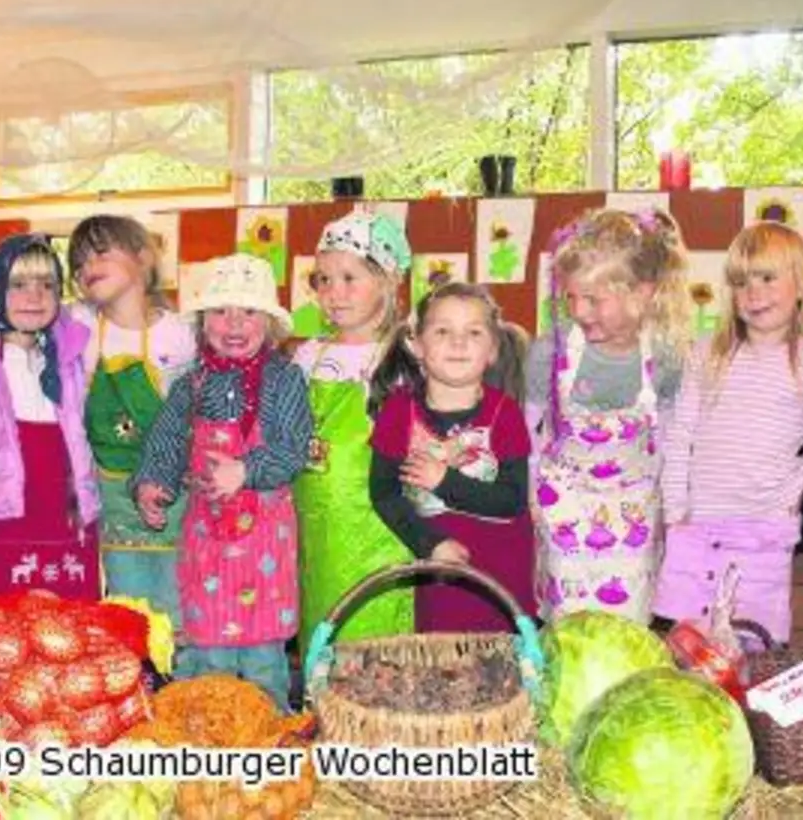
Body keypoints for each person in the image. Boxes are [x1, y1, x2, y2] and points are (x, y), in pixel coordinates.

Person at [131, 254, 312, 710]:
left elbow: (293, 448)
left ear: (269, 324)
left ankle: (269, 751)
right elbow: (167, 443)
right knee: (205, 651)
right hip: (207, 545)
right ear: (202, 323)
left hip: (264, 547)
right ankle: (207, 749)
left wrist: (246, 470)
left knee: (263, 662)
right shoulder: (189, 386)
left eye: (248, 311)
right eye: (220, 311)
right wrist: (153, 484)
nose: (234, 322)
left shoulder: (285, 380)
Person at [655, 223, 803, 644]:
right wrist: (675, 511)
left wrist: (795, 486)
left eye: (767, 278)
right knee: (689, 644)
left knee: (753, 643)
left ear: (802, 285)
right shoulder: (707, 353)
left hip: (765, 528)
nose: (753, 293)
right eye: (741, 282)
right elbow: (681, 433)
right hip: (698, 523)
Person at [526, 206, 691, 624]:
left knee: (627, 626)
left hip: (633, 523)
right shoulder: (551, 353)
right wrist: (530, 494)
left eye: (595, 299)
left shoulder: (667, 358)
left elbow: (674, 437)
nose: (580, 311)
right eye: (572, 297)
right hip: (565, 516)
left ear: (642, 293)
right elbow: (529, 431)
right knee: (568, 628)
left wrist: (676, 507)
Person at [0, 234, 102, 600]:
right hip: (3, 519)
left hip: (67, 519)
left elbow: (82, 441)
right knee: (6, 633)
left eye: (48, 285)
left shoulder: (70, 360)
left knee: (73, 631)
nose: (35, 296)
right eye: (19, 285)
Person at [367, 282, 535, 632]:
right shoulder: (398, 412)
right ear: (416, 344)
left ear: (492, 349)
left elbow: (512, 499)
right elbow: (384, 494)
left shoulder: (505, 414)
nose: (458, 342)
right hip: (440, 574)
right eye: (443, 330)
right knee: (444, 669)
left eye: (474, 332)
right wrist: (430, 544)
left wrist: (445, 481)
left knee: (503, 672)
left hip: (502, 577)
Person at [291, 209, 417, 642]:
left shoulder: (402, 358)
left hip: (379, 532)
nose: (333, 293)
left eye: (349, 278)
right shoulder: (308, 357)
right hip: (316, 532)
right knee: (324, 639)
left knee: (376, 646)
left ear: (386, 280)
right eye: (323, 280)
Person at [67, 214, 198, 627]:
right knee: (127, 608)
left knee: (176, 602)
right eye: (80, 263)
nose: (89, 267)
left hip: (173, 488)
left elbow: (196, 411)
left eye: (101, 252)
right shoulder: (79, 326)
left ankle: (178, 684)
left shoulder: (179, 334)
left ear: (143, 259)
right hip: (110, 489)